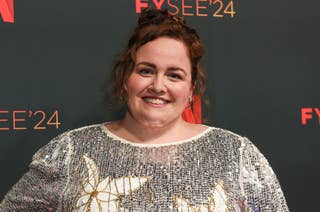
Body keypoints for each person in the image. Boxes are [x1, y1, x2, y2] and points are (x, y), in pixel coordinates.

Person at [0, 8, 289, 211]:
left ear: (191, 90)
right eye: (146, 70)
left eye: (174, 75)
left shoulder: (235, 154)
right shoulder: (71, 151)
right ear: (126, 79)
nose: (158, 85)